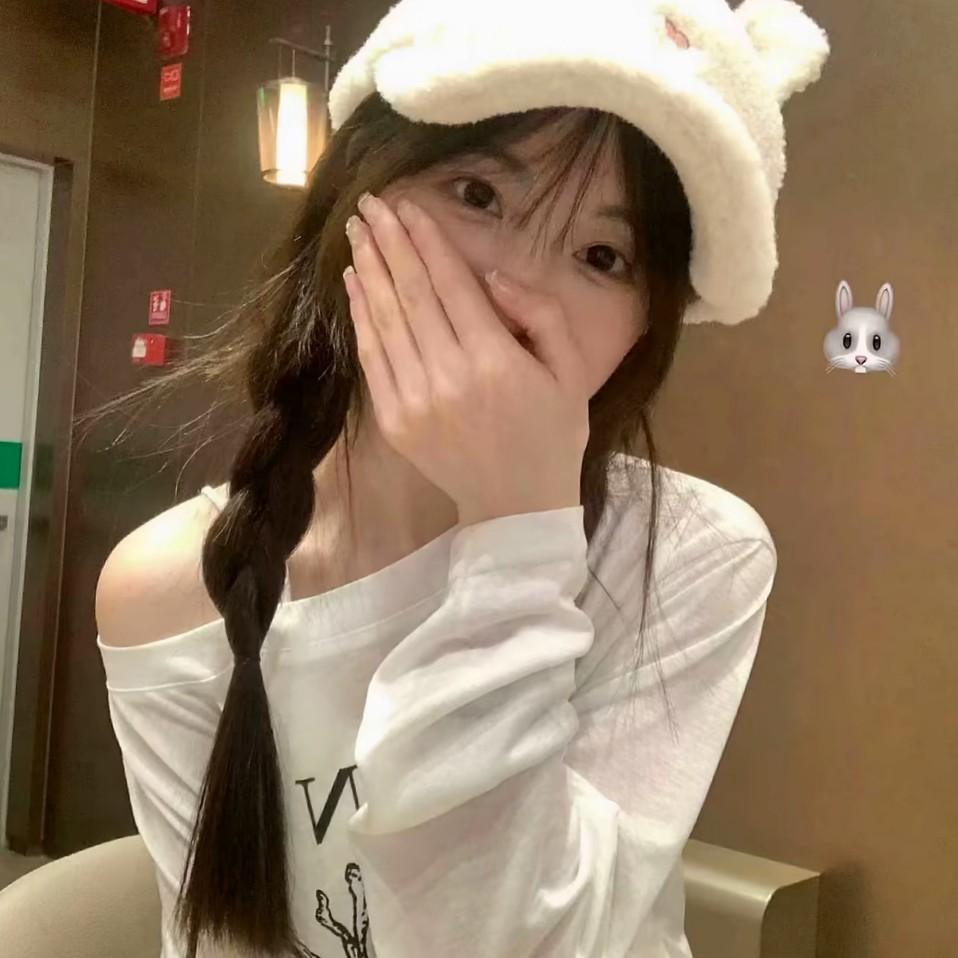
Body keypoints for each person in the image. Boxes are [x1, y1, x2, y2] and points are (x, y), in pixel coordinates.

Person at [92, 1, 830, 956]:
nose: (516, 291)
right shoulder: (169, 593)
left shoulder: (685, 556)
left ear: (643, 330)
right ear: (353, 196)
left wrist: (515, 532)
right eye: (478, 193)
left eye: (602, 255)